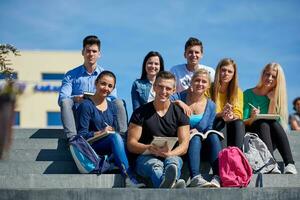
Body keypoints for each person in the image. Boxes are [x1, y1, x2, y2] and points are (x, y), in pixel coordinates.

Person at [76, 70, 144, 187]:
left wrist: (111, 132)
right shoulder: (86, 105)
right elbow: (82, 136)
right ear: (96, 83)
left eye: (110, 86)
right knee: (115, 137)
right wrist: (101, 132)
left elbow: (116, 131)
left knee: (127, 137)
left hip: (110, 145)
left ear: (113, 89)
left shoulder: (112, 106)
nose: (106, 88)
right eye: (103, 84)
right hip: (93, 147)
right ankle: (129, 177)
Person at [127, 71, 190, 188]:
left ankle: (166, 185)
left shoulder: (180, 113)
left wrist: (169, 154)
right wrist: (149, 148)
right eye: (160, 87)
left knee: (173, 163)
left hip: (172, 155)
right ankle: (172, 185)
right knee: (155, 165)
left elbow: (184, 145)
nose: (164, 91)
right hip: (145, 157)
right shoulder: (140, 113)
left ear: (173, 90)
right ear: (154, 87)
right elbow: (131, 144)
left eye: (168, 88)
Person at [58, 35, 127, 139]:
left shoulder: (106, 76)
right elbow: (62, 98)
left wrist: (98, 99)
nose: (91, 54)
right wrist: (76, 98)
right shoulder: (70, 75)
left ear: (99, 54)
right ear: (83, 52)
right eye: (88, 51)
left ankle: (123, 137)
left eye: (94, 51)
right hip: (80, 113)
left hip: (101, 114)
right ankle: (73, 139)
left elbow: (112, 98)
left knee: (119, 102)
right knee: (66, 102)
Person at [171, 69, 222, 188]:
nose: (200, 84)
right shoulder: (180, 96)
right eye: (197, 80)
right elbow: (164, 100)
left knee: (211, 135)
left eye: (204, 82)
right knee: (195, 137)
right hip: (182, 143)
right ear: (191, 82)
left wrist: (198, 132)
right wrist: (179, 102)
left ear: (208, 85)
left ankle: (217, 176)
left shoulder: (211, 105)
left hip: (201, 147)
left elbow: (208, 127)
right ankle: (195, 177)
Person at [243, 62, 297, 174]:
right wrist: (253, 117)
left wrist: (272, 100)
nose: (269, 78)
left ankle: (289, 164)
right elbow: (243, 122)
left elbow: (274, 123)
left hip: (270, 138)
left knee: (272, 123)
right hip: (253, 136)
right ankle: (271, 164)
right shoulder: (248, 94)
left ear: (278, 80)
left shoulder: (276, 97)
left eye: (274, 76)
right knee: (262, 123)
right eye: (267, 74)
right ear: (262, 74)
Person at [211, 58, 245, 149]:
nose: (226, 73)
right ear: (219, 71)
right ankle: (223, 158)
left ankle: (238, 157)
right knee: (220, 121)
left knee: (239, 123)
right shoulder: (209, 89)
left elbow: (239, 113)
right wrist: (221, 114)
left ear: (234, 75)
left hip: (230, 125)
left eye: (230, 71)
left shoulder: (238, 91)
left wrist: (232, 115)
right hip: (214, 124)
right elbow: (207, 113)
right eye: (223, 70)